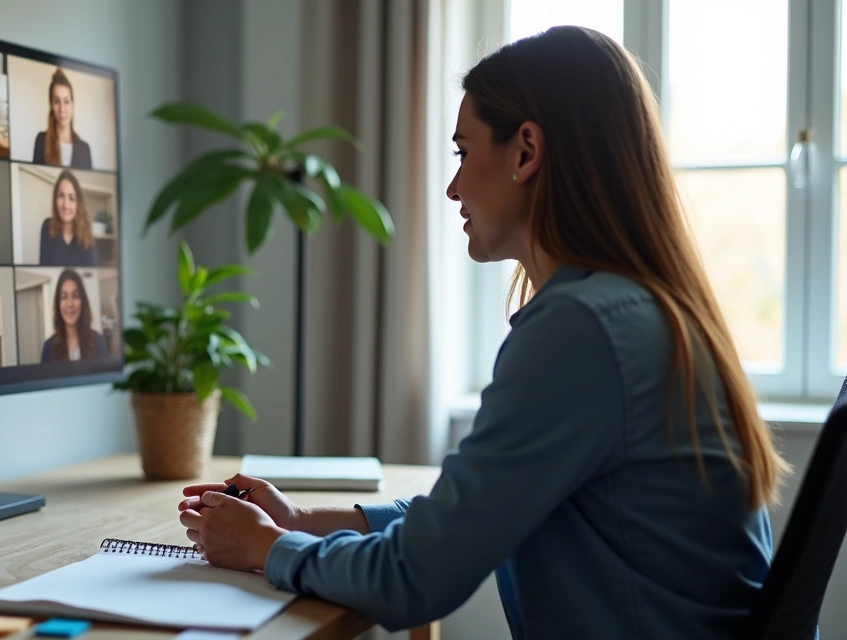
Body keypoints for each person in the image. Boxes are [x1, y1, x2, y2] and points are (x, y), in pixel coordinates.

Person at [177, 26, 791, 638]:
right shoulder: (637, 308)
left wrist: (266, 550)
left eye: (462, 153)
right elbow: (473, 515)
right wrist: (301, 520)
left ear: (526, 151)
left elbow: (414, 578)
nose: (452, 187)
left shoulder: (581, 330)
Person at [41, 269, 107, 362]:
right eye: (64, 297)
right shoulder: (48, 347)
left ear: (83, 301)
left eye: (75, 296)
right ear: (58, 303)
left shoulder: (98, 342)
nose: (70, 304)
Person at [32, 68, 92, 169]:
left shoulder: (84, 149)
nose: (62, 109)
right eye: (56, 101)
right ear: (51, 105)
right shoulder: (41, 140)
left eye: (66, 101)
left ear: (73, 105)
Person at [39, 170, 97, 266]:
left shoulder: (87, 238)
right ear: (55, 199)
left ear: (78, 203)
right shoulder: (47, 227)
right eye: (61, 196)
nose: (66, 205)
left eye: (71, 198)